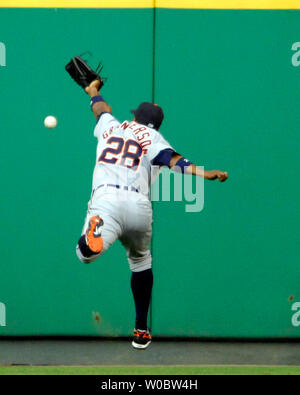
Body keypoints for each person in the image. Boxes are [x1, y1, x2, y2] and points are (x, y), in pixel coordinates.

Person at [76, 80, 228, 350]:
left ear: (135, 116)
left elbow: (101, 108)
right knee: (140, 262)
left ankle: (93, 236)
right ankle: (141, 329)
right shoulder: (155, 138)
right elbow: (174, 161)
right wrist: (205, 173)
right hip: (138, 205)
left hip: (106, 199)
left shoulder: (113, 125)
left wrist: (93, 90)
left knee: (85, 256)